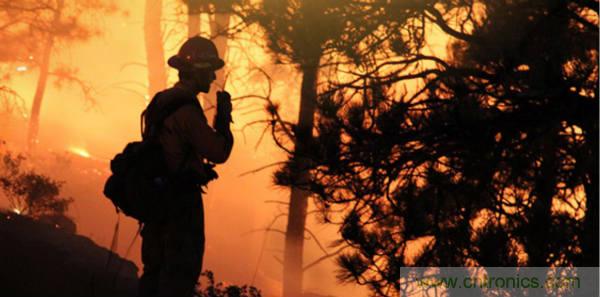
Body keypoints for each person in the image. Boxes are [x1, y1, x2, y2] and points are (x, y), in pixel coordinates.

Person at [138, 36, 234, 297]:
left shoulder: (162, 100)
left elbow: (169, 149)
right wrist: (223, 120)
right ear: (198, 70)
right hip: (179, 206)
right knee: (178, 278)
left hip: (157, 203)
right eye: (210, 69)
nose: (213, 75)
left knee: (153, 275)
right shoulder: (188, 110)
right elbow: (219, 151)